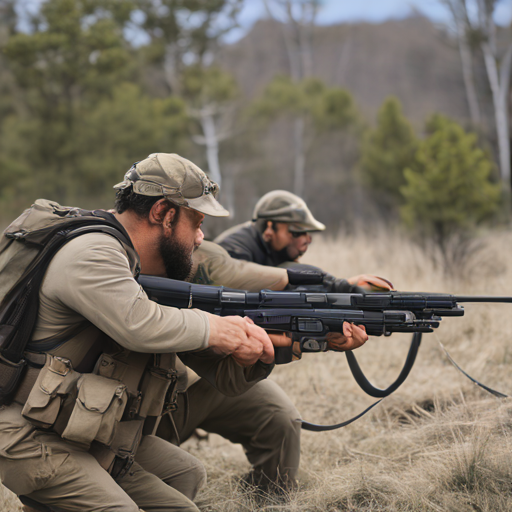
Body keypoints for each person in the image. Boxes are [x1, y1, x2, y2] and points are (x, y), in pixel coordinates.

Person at [0, 153, 276, 512]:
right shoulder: (93, 253)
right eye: (196, 222)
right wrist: (215, 327)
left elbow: (218, 374)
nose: (200, 237)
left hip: (76, 428)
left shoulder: (137, 268)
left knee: (184, 476)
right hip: (25, 432)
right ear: (164, 213)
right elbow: (140, 326)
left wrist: (263, 353)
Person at [155, 192, 382, 495]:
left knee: (280, 420)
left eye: (308, 233)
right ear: (270, 228)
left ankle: (269, 498)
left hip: (217, 369)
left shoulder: (266, 254)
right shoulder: (231, 249)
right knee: (171, 475)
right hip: (175, 378)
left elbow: (272, 308)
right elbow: (238, 299)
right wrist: (336, 289)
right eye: (297, 231)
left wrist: (332, 314)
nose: (306, 239)